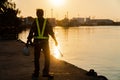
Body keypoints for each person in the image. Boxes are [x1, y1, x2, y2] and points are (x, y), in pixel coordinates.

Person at [26, 9, 58, 80]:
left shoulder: (35, 22)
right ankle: (45, 72)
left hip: (37, 43)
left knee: (36, 58)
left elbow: (31, 32)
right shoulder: (46, 22)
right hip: (45, 43)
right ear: (43, 14)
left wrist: (28, 41)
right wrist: (55, 40)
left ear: (37, 14)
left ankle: (36, 73)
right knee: (47, 58)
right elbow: (51, 32)